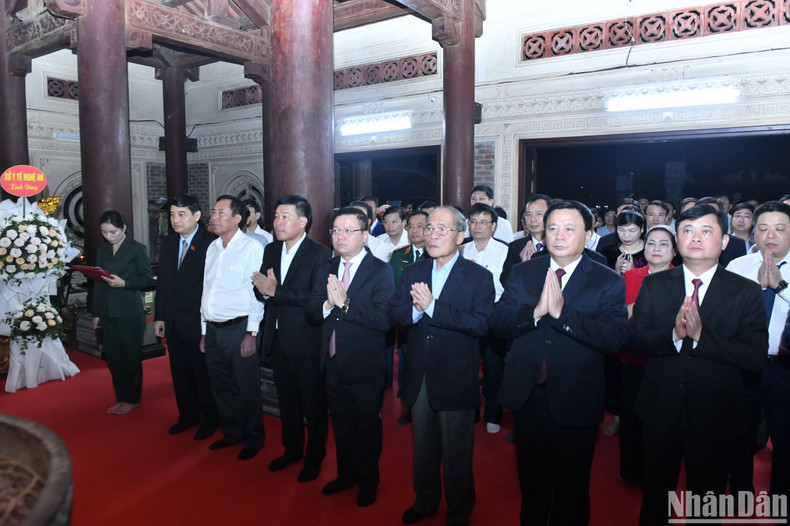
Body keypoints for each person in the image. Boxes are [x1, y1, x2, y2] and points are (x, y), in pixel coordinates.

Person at [490, 200, 628, 526]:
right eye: (552, 228)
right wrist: (535, 313)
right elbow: (498, 323)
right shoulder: (524, 272)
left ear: (589, 235)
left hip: (577, 397)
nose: (559, 235)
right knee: (532, 484)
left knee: (572, 487)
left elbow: (614, 338)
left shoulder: (607, 280)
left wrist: (563, 315)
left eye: (569, 228)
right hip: (528, 395)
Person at [629, 204, 767, 526]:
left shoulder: (745, 291)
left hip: (715, 413)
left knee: (707, 501)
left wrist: (702, 336)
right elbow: (635, 341)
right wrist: (674, 337)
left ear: (724, 241)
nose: (695, 238)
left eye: (706, 231)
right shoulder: (654, 285)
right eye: (687, 231)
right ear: (677, 240)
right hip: (660, 409)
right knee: (655, 499)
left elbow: (754, 356)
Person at [389, 206, 495, 525]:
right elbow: (394, 314)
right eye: (429, 228)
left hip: (455, 375)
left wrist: (433, 307)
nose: (432, 235)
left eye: (442, 229)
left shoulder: (479, 277)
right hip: (419, 373)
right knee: (423, 447)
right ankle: (425, 500)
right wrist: (416, 311)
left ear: (460, 236)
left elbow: (480, 324)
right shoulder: (413, 272)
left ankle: (459, 510)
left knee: (456, 452)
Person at [306, 207, 395, 508]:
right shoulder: (326, 267)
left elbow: (384, 321)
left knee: (367, 426)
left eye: (348, 230)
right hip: (331, 362)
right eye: (335, 230)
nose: (340, 236)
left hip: (364, 365)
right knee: (341, 425)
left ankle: (369, 481)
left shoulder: (380, 271)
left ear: (365, 234)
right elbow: (311, 311)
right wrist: (328, 305)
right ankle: (346, 474)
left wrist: (345, 305)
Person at [253, 195, 331, 482]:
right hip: (277, 337)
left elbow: (316, 298)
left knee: (313, 403)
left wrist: (276, 291)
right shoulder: (271, 249)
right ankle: (292, 449)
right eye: (276, 216)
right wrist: (264, 291)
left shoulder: (320, 253)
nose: (278, 222)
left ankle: (315, 456)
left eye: (285, 217)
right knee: (286, 400)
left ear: (303, 221)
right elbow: (262, 289)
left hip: (307, 340)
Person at [726, 201, 790, 499]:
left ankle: (781, 499)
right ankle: (741, 492)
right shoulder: (738, 267)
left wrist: (781, 286)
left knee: (785, 439)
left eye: (779, 229)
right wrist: (757, 287)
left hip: (785, 368)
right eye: (763, 228)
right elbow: (725, 315)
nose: (770, 235)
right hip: (743, 364)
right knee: (739, 434)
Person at [200, 195, 265, 461]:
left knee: (245, 386)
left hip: (239, 328)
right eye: (213, 212)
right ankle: (232, 432)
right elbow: (207, 289)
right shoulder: (213, 247)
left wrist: (251, 333)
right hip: (213, 328)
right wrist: (204, 330)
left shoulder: (252, 247)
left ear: (237, 218)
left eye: (221, 213)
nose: (214, 217)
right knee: (221, 385)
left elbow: (256, 295)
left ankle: (253, 438)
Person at [154, 194, 218, 439]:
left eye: (181, 214)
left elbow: (212, 287)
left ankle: (210, 418)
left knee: (202, 374)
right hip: (173, 320)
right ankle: (188, 415)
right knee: (180, 372)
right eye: (172, 215)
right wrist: (160, 316)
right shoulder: (169, 243)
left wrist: (206, 326)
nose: (175, 220)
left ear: (197, 216)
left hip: (199, 321)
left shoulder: (211, 243)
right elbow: (164, 284)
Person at [618, 225, 677, 487]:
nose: (656, 249)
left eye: (664, 244)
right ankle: (630, 470)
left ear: (674, 250)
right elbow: (616, 316)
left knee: (661, 422)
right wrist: (629, 310)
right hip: (632, 358)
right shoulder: (631, 276)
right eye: (651, 243)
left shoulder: (683, 279)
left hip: (666, 361)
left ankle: (657, 474)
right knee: (630, 418)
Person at [92, 210, 153, 415]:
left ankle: (132, 398)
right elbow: (98, 283)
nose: (108, 236)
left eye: (113, 232)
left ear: (124, 228)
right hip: (107, 311)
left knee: (130, 356)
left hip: (128, 311)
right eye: (104, 232)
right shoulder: (103, 249)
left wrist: (124, 283)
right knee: (114, 358)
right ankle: (121, 397)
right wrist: (96, 313)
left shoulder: (136, 249)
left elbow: (147, 279)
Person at [462, 202, 508, 434]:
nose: (477, 226)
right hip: (465, 313)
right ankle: (470, 410)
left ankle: (493, 413)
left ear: (493, 226)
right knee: (466, 364)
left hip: (494, 312)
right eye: (473, 221)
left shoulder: (505, 251)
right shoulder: (461, 249)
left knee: (493, 366)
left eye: (483, 222)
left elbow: (506, 286)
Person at [501, 194, 551, 286]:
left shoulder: (557, 246)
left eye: (539, 214)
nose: (533, 219)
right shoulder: (515, 247)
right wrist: (523, 267)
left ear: (551, 215)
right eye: (528, 215)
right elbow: (505, 280)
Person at [600, 206, 647, 275]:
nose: (626, 235)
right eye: (621, 230)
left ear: (642, 228)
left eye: (632, 230)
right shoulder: (607, 253)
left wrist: (633, 273)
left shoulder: (650, 253)